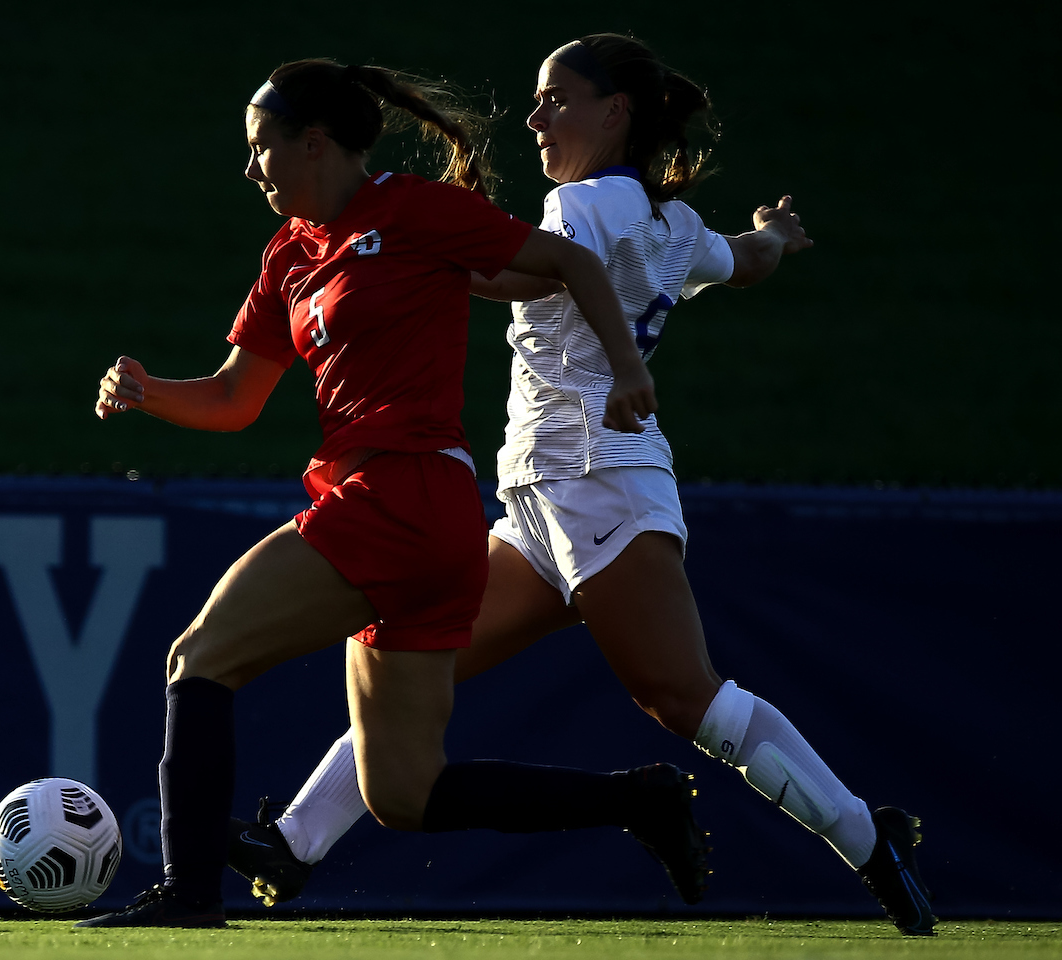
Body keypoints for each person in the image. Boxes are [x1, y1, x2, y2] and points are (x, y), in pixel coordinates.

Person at [225, 35, 937, 937]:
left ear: (617, 113)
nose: (536, 118)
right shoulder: (673, 226)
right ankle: (292, 844)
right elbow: (738, 260)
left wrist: (406, 244)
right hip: (536, 501)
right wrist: (772, 237)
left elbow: (500, 270)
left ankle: (870, 840)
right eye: (535, 100)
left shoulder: (582, 206)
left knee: (686, 699)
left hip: (601, 482)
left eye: (557, 99)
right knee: (411, 665)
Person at [77, 57, 714, 929]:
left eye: (264, 147)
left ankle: (185, 895)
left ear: (316, 144)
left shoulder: (416, 210)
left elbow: (570, 261)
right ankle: (639, 801)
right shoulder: (290, 253)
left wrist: (629, 365)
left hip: (401, 494)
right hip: (420, 520)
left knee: (200, 657)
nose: (252, 167)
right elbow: (235, 398)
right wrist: (150, 392)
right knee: (401, 792)